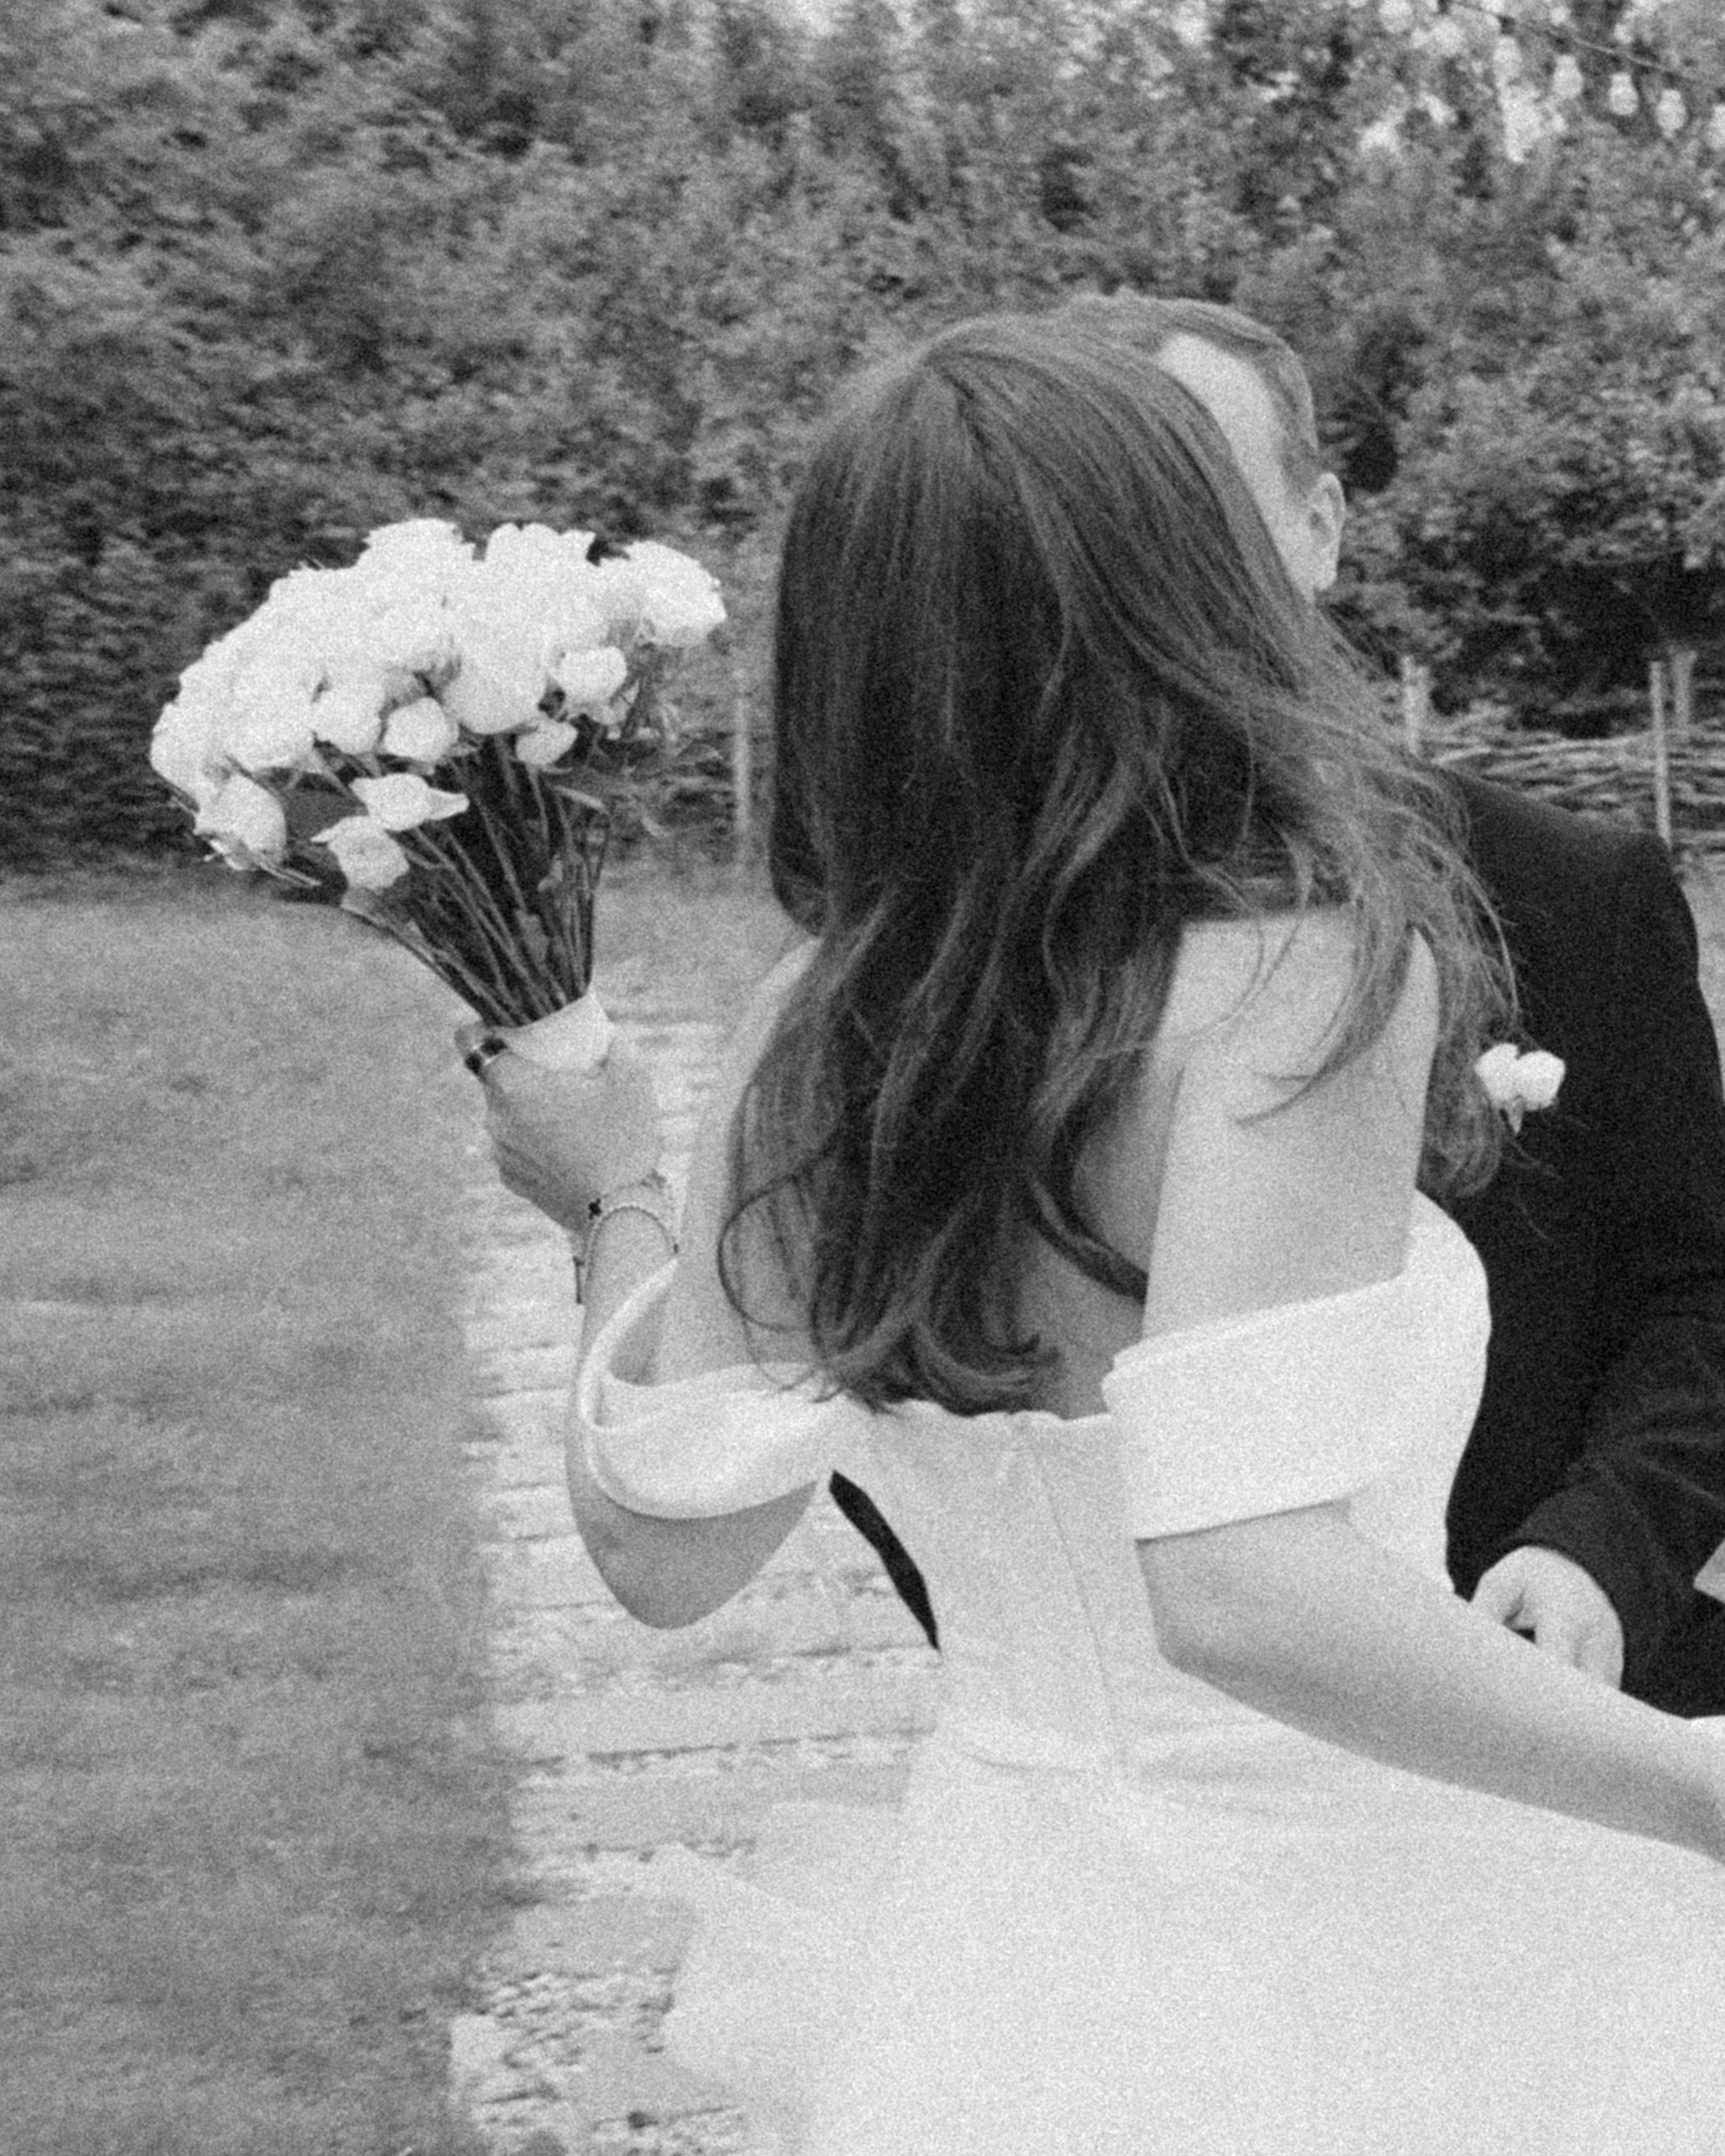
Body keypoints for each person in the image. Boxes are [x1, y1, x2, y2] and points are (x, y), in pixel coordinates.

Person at [467, 312, 1725, 2154]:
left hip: (1012, 1939)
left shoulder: (821, 1021)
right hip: (1378, 1925)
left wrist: (609, 1203)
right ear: (1182, 588)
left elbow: (667, 1550)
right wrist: (1698, 1788)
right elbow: (1238, 1589)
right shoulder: (1306, 979)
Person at [816, 291, 1725, 1718]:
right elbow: (885, 1383)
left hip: (1568, 1701)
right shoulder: (948, 971)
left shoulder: (1571, 891)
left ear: (1319, 528)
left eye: (1208, 510)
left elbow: (1703, 1290)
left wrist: (1602, 1546)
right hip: (1165, 1777)